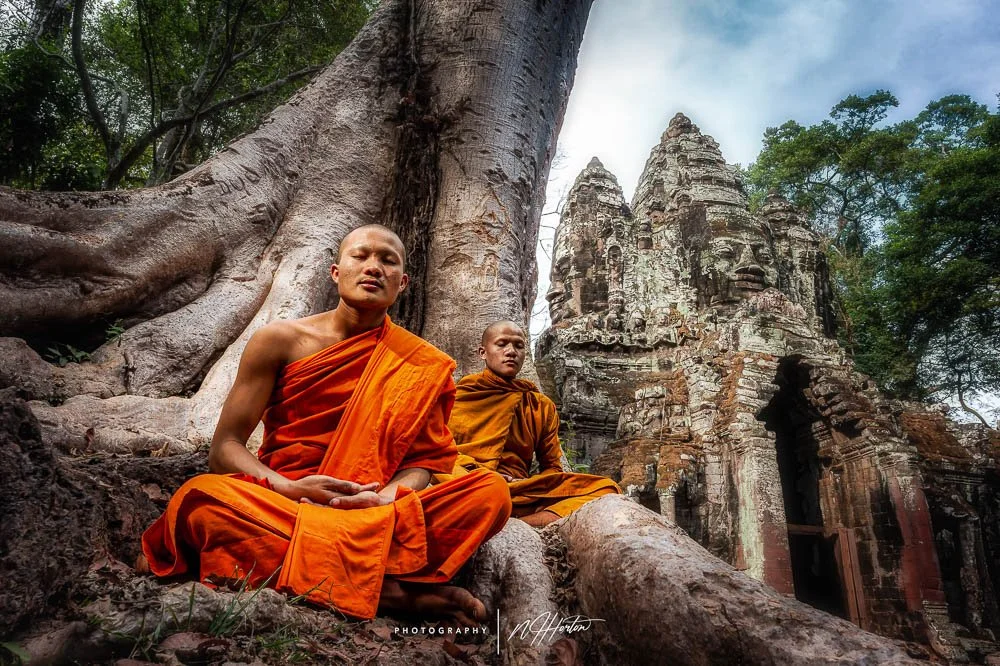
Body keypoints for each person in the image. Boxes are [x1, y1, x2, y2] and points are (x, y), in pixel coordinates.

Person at [140, 224, 512, 624]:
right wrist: (288, 486)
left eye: (388, 261)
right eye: (361, 256)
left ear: (401, 283)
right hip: (285, 501)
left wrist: (384, 498)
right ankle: (392, 593)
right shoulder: (279, 340)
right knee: (203, 502)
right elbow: (224, 449)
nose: (374, 267)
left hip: (372, 511)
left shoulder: (423, 364)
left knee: (491, 493)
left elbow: (423, 462)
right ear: (336, 271)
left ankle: (329, 573)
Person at [447, 321, 620, 527]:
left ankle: (521, 524)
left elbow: (552, 466)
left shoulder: (539, 405)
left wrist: (522, 483)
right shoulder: (458, 398)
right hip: (468, 483)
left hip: (518, 491)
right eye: (502, 344)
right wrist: (479, 473)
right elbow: (440, 453)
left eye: (518, 346)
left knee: (606, 488)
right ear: (483, 352)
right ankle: (506, 516)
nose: (511, 352)